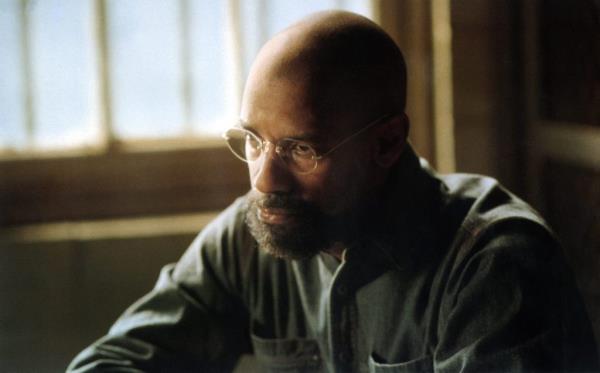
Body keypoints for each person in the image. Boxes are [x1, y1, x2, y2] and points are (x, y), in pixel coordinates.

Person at [68, 10, 598, 372]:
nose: (263, 181)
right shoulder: (252, 233)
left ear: (387, 142)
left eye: (301, 150)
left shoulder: (491, 264)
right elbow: (111, 362)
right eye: (253, 141)